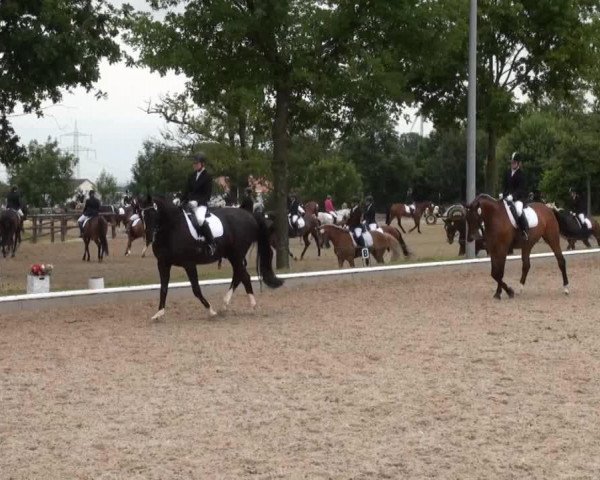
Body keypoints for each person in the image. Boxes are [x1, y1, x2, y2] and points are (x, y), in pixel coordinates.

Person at [182, 152, 216, 255]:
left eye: (196, 163)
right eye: (194, 163)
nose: (194, 165)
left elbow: (207, 195)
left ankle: (211, 243)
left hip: (200, 205)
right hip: (189, 204)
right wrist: (179, 199)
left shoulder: (208, 176)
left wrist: (197, 202)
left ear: (202, 164)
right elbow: (186, 190)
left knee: (200, 220)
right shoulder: (191, 175)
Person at [501, 151, 529, 240]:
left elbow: (521, 189)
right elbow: (505, 186)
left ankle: (524, 230)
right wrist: (502, 193)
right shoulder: (507, 173)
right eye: (512, 162)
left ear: (518, 163)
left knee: (518, 211)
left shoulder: (522, 175)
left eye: (514, 162)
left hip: (519, 198)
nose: (512, 164)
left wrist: (512, 196)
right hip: (507, 198)